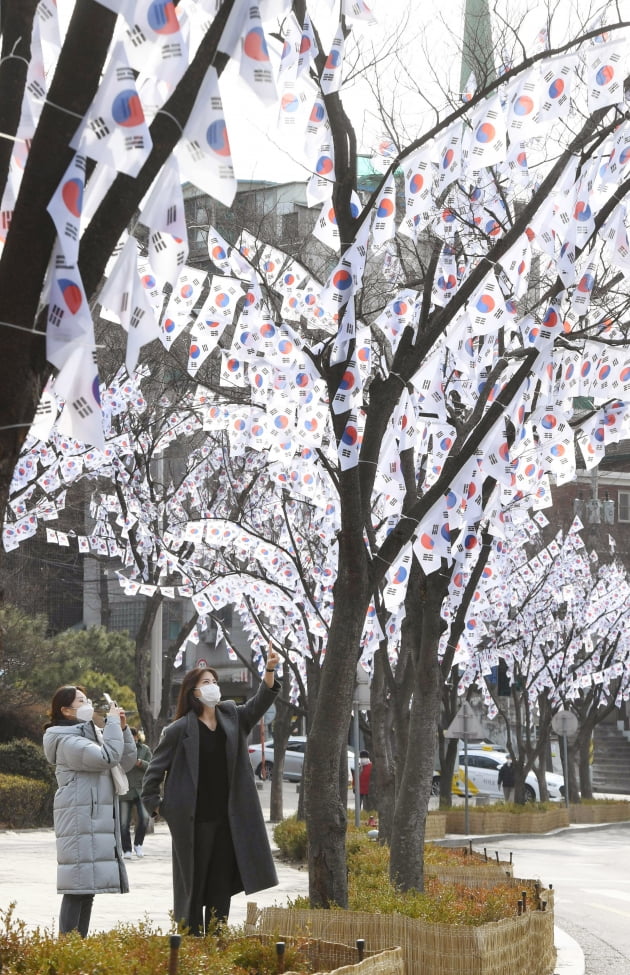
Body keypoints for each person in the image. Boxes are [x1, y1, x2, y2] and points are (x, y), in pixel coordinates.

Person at [141, 645, 281, 935]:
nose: (213, 687)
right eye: (206, 682)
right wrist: (163, 808)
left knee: (220, 885)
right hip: (194, 823)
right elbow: (151, 778)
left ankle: (217, 942)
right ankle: (192, 944)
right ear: (193, 692)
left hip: (228, 822)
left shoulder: (232, 717)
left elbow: (260, 702)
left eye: (215, 682)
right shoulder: (179, 730)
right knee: (194, 884)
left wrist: (269, 670)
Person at [43, 685, 137, 937]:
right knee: (76, 888)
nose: (88, 705)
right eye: (80, 701)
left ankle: (78, 948)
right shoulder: (66, 739)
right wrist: (114, 726)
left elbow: (123, 762)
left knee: (88, 889)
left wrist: (123, 729)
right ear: (65, 710)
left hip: (92, 817)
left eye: (87, 700)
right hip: (78, 820)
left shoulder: (90, 733)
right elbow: (107, 757)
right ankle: (68, 949)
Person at [119, 727, 153, 859]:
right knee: (123, 823)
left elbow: (152, 766)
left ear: (137, 737)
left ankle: (138, 844)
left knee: (145, 818)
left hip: (141, 790)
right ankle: (126, 849)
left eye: (133, 737)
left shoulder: (144, 749)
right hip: (124, 790)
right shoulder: (120, 750)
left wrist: (141, 763)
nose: (132, 739)